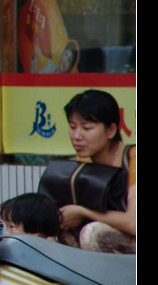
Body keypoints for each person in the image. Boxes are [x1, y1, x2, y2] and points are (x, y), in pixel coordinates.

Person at [57, 89, 136, 254]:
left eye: (86, 128)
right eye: (72, 127)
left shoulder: (132, 158)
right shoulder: (78, 165)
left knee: (93, 233)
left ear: (111, 130)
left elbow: (132, 222)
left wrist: (82, 212)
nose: (77, 136)